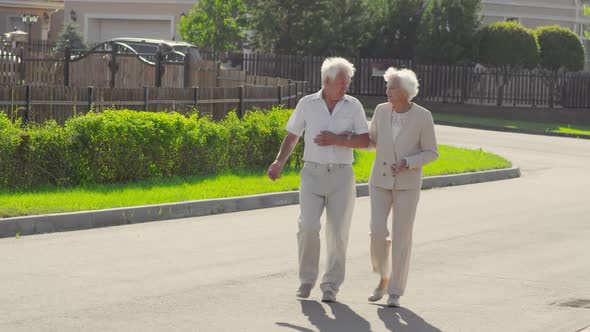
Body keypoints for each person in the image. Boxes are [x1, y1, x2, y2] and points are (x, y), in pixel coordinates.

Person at [267, 57, 370, 303]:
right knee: (308, 226)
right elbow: (292, 136)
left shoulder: (353, 105)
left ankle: (330, 286)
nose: (346, 87)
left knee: (337, 232)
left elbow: (365, 141)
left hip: (342, 175)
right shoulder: (307, 104)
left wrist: (338, 140)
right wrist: (279, 161)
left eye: (347, 83)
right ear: (326, 81)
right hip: (312, 174)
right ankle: (306, 280)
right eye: (341, 83)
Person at [365, 67, 438, 307]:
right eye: (387, 86)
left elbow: (431, 152)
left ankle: (395, 290)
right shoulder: (381, 110)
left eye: (392, 87)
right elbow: (370, 139)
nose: (387, 90)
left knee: (401, 237)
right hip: (380, 181)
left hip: (407, 184)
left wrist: (409, 162)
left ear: (406, 91)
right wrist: (343, 138)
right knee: (377, 232)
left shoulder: (423, 116)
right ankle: (383, 278)